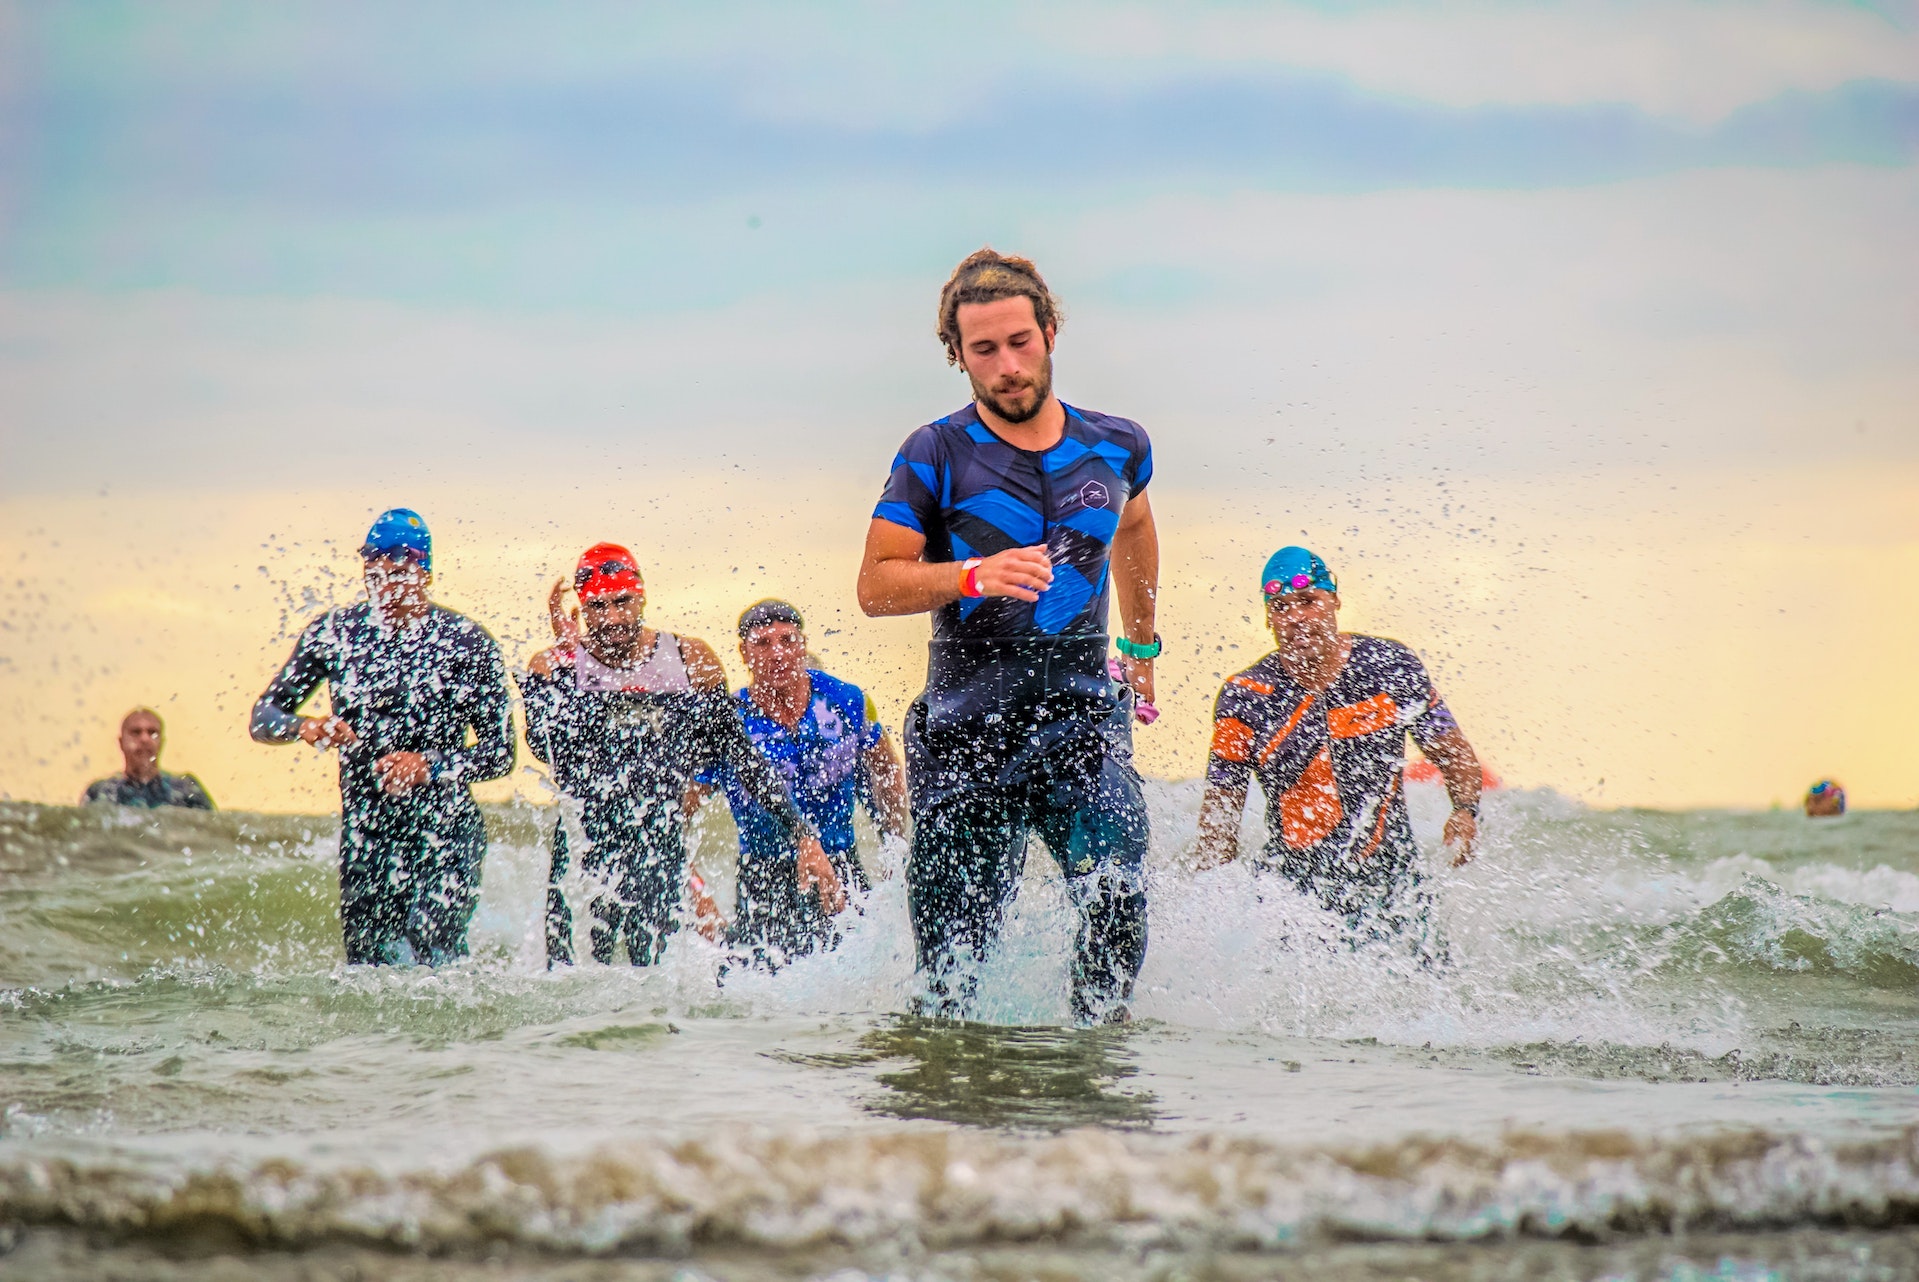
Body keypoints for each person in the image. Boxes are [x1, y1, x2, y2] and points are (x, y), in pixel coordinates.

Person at [856, 248, 1160, 1025]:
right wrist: (969, 575)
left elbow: (1132, 522)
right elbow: (877, 584)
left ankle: (1091, 1089)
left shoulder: (1117, 444)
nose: (1007, 365)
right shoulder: (934, 454)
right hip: (967, 732)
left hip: (1082, 722)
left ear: (1051, 331)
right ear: (957, 357)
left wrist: (1142, 641)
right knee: (951, 973)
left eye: (1019, 342)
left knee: (1116, 895)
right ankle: (953, 1119)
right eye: (983, 350)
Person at [521, 545, 842, 968]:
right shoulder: (551, 664)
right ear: (583, 607)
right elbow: (551, 752)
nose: (613, 618)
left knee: (656, 985)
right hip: (582, 845)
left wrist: (802, 834)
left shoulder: (690, 659)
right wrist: (566, 665)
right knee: (569, 983)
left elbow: (740, 756)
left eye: (622, 602)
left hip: (659, 843)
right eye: (598, 607)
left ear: (642, 598)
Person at [250, 508, 513, 966]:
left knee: (433, 960)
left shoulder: (467, 643)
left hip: (445, 833)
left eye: (397, 573)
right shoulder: (335, 635)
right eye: (374, 572)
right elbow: (263, 716)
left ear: (424, 573)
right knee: (369, 972)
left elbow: (501, 754)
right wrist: (306, 726)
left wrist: (428, 765)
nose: (385, 585)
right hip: (368, 834)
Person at [1193, 547, 1483, 947]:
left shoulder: (1389, 666)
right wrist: (1208, 903)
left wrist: (1465, 812)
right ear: (1267, 618)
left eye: (1308, 601)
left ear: (1335, 601)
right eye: (1280, 607)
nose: (1295, 618)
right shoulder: (1245, 697)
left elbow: (1452, 751)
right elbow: (1220, 816)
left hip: (1394, 890)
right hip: (1293, 902)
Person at [685, 599, 909, 968]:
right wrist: (698, 895)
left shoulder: (847, 701)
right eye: (762, 643)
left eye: (787, 641)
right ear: (743, 653)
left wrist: (894, 856)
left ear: (803, 645)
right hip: (764, 876)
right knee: (759, 1002)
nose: (777, 654)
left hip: (842, 869)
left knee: (862, 991)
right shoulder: (729, 722)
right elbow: (678, 815)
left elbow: (887, 777)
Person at [81, 708, 215, 810]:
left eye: (152, 733)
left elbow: (214, 837)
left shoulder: (187, 789)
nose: (145, 739)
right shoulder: (100, 792)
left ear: (161, 743)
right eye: (136, 732)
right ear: (121, 743)